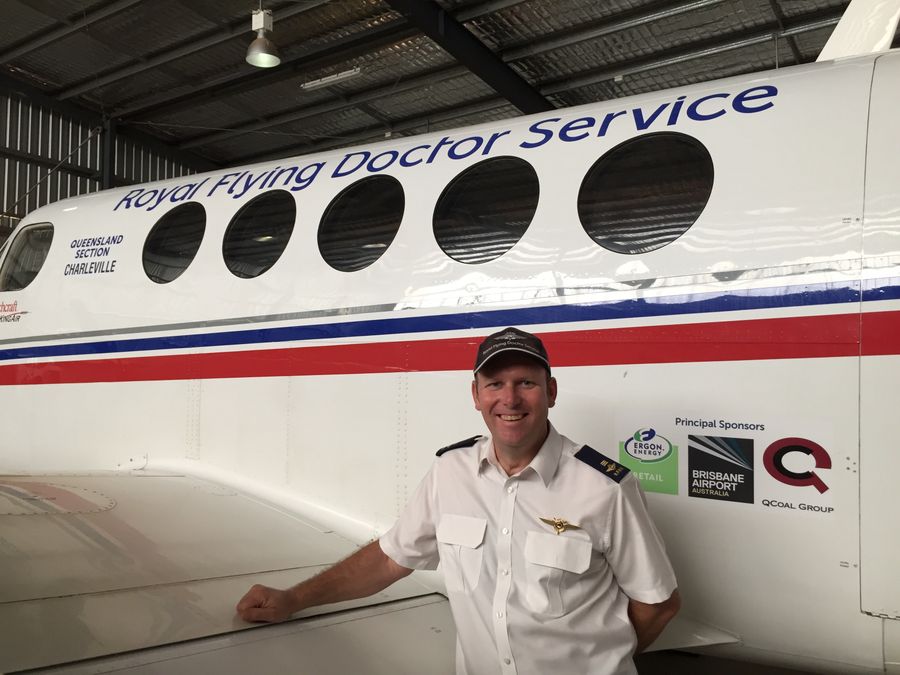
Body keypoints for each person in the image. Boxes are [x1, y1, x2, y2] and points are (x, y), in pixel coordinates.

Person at [237, 327, 680, 675]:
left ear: (551, 392)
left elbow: (658, 603)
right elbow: (391, 559)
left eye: (526, 382)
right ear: (476, 395)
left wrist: (599, 662)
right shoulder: (451, 472)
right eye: (494, 384)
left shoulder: (605, 487)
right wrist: (294, 598)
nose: (509, 399)